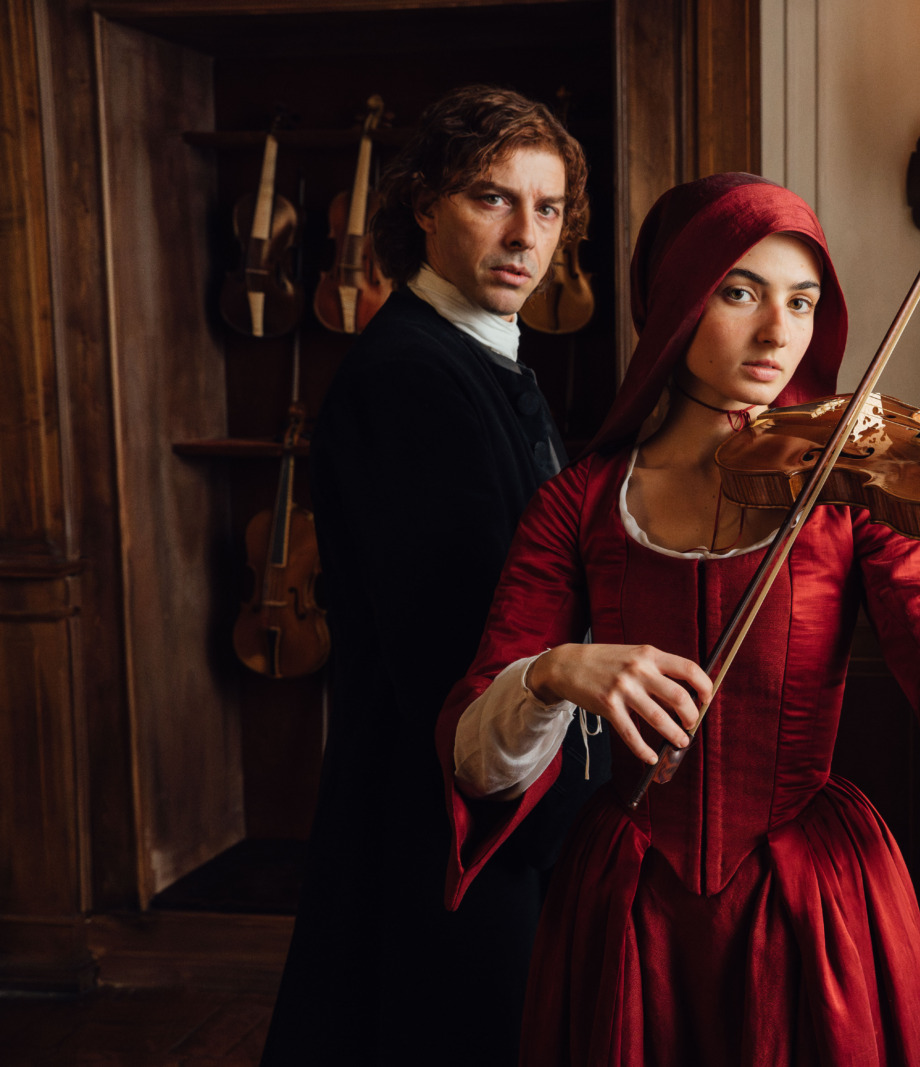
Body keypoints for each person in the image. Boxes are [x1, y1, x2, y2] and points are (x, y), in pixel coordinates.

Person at [439, 173, 920, 1064]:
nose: (778, 332)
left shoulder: (854, 494)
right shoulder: (577, 504)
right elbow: (479, 762)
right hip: (628, 909)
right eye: (740, 293)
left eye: (802, 301)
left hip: (814, 908)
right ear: (676, 301)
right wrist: (554, 672)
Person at [261, 85, 609, 1066]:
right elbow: (454, 655)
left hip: (491, 803)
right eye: (492, 198)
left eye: (548, 208)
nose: (525, 234)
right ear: (424, 205)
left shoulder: (485, 357)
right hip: (446, 821)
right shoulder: (409, 377)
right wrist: (559, 834)